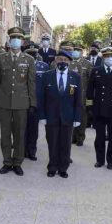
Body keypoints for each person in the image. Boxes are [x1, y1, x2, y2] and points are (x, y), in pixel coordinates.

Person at [0, 27, 36, 176]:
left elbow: (31, 83)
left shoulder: (29, 60)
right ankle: (6, 162)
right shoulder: (0, 58)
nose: (15, 41)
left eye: (18, 38)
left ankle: (17, 162)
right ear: (9, 41)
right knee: (5, 134)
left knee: (19, 134)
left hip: (21, 104)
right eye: (13, 38)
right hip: (4, 103)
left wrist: (32, 103)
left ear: (23, 42)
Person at [38, 50, 82, 178]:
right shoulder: (47, 76)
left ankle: (63, 168)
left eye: (66, 60)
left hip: (68, 117)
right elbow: (41, 97)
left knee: (66, 143)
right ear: (55, 60)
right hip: (51, 116)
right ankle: (52, 166)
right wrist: (42, 115)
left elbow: (78, 99)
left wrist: (77, 117)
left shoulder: (76, 77)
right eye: (60, 59)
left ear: (69, 62)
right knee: (52, 142)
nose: (63, 62)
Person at [24, 43, 49, 161]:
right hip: (22, 100)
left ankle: (32, 151)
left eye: (34, 53)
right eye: (30, 53)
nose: (32, 54)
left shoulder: (44, 66)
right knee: (22, 127)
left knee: (34, 129)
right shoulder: (21, 64)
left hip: (37, 102)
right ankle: (22, 150)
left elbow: (46, 86)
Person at [69, 42, 93, 146]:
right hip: (70, 94)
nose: (76, 52)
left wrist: (90, 96)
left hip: (82, 95)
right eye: (74, 50)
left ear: (82, 52)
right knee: (71, 116)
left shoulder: (87, 64)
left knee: (82, 117)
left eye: (78, 50)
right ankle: (72, 136)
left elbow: (91, 81)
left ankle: (80, 137)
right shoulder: (69, 62)